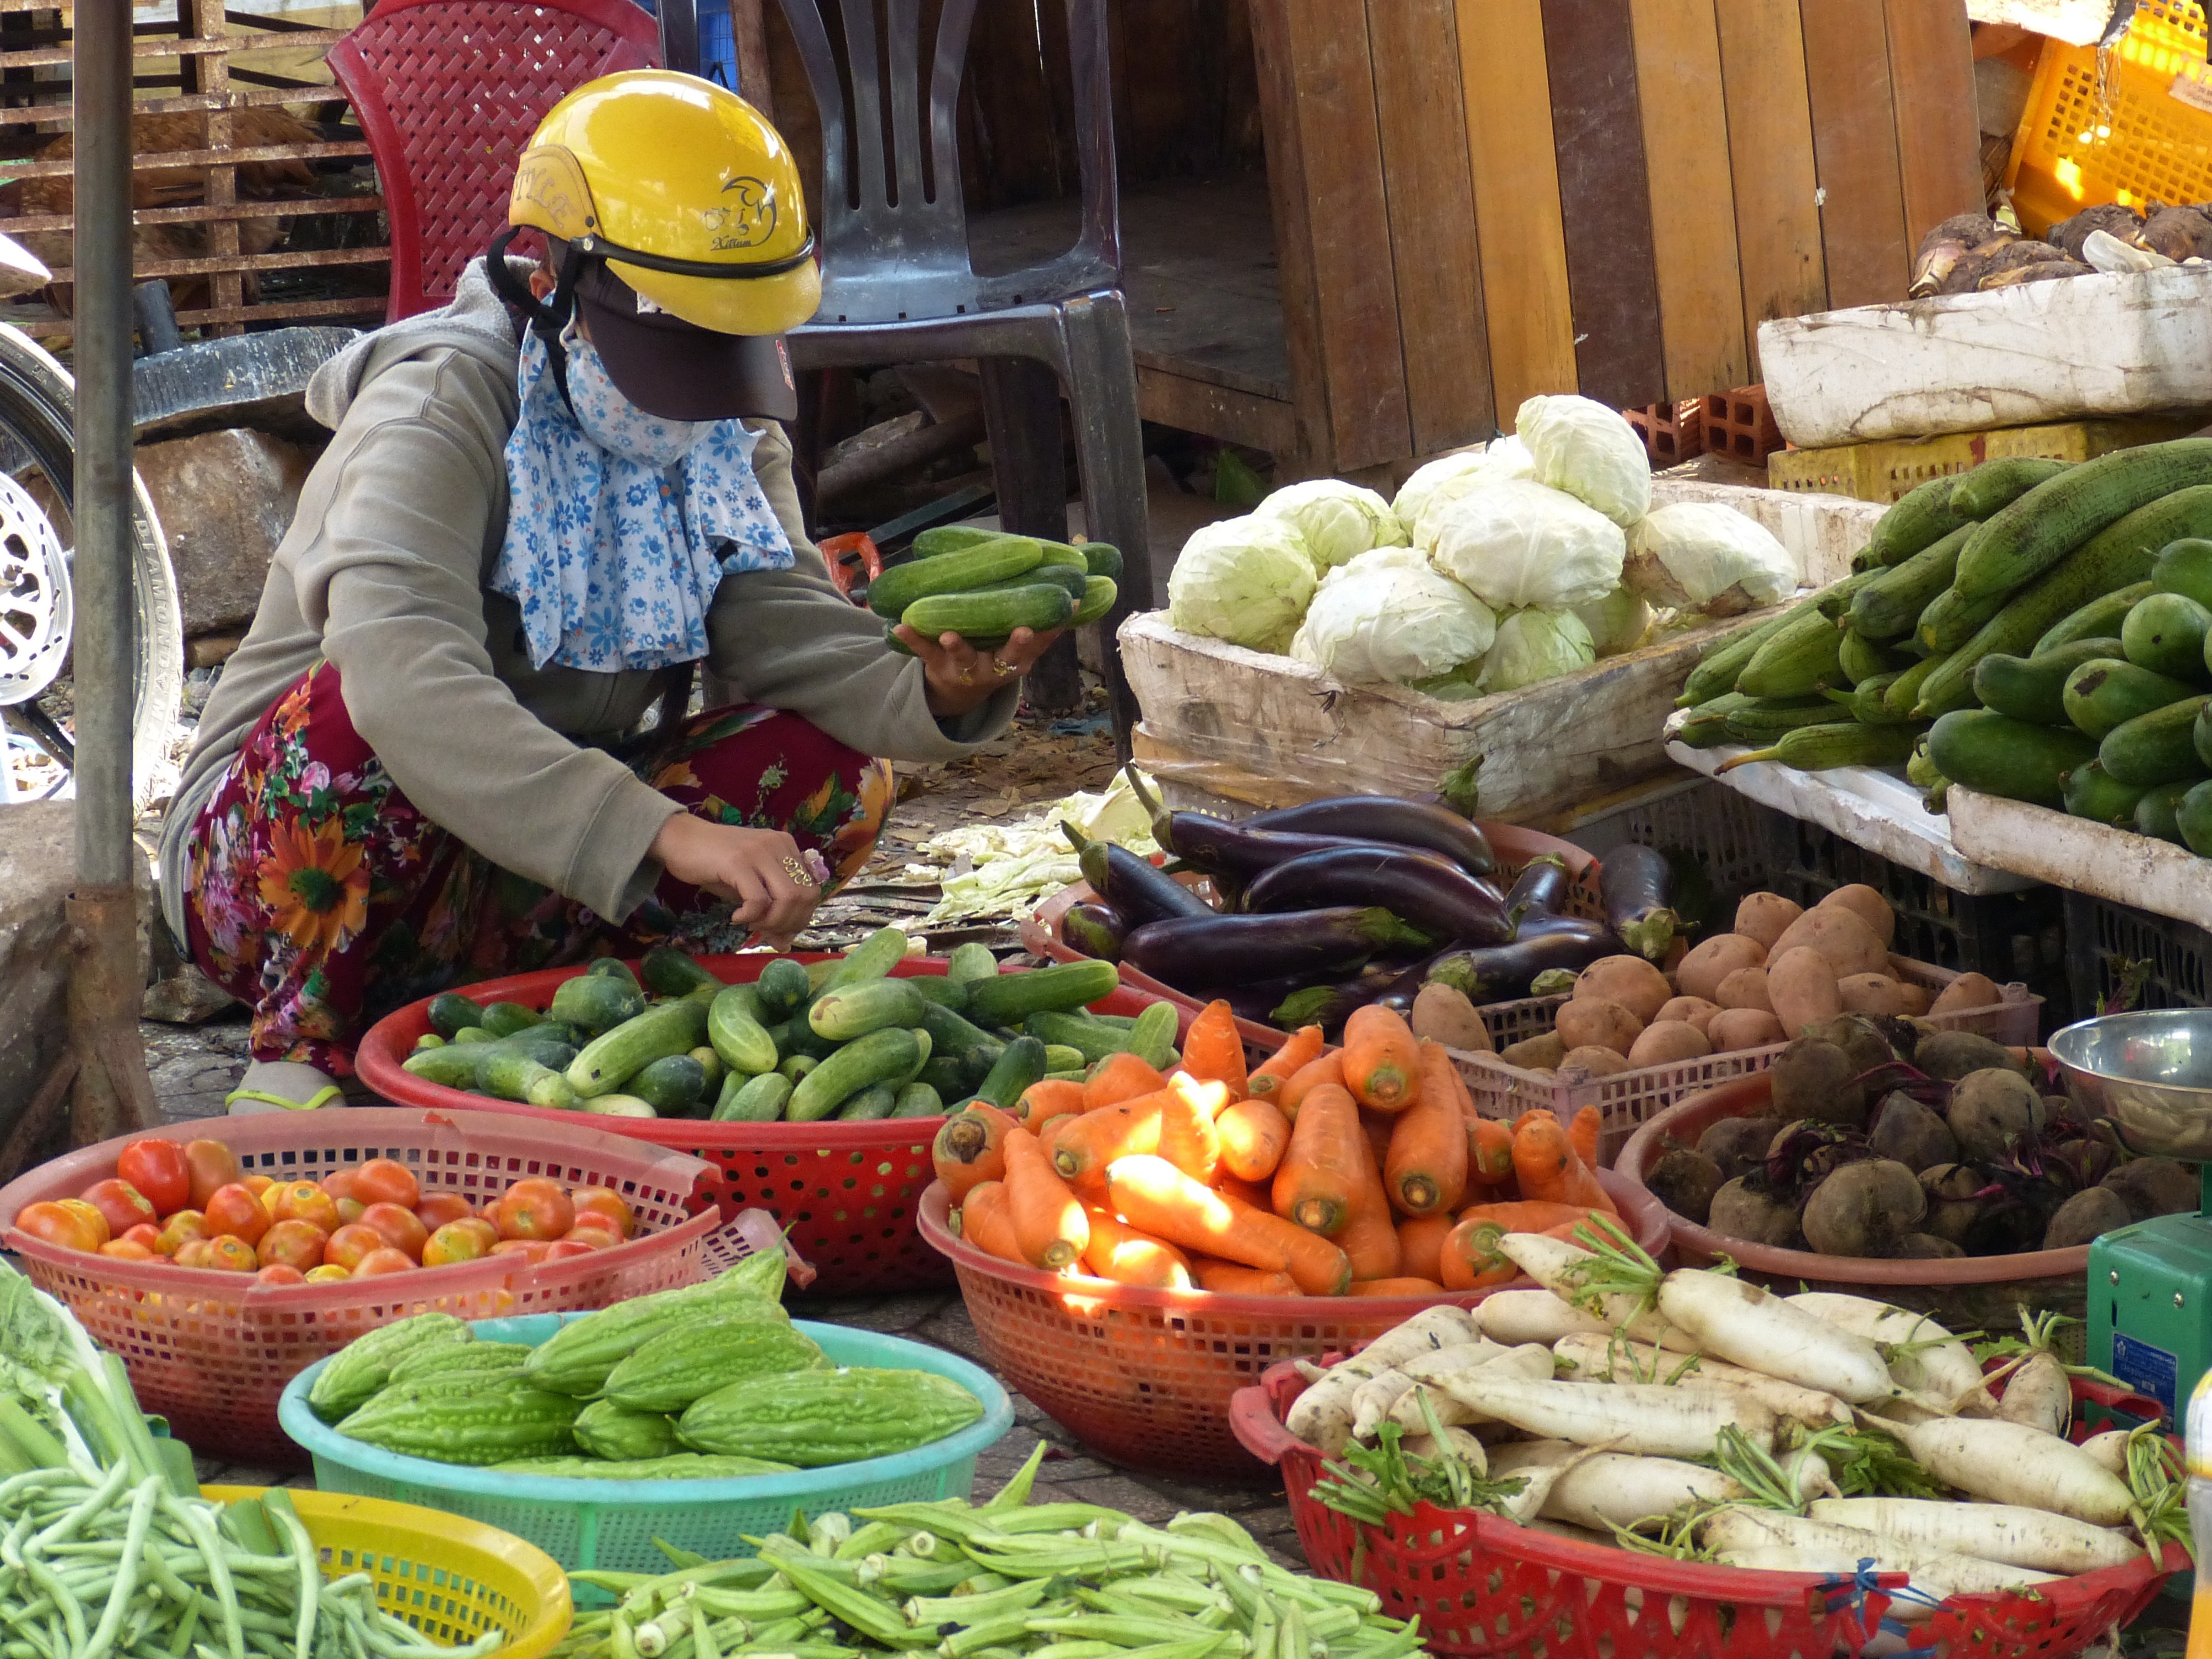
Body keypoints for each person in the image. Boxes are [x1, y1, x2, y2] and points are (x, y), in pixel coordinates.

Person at [159, 71, 1062, 1112]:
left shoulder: (718, 420)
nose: (706, 391)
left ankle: (586, 1013)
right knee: (353, 711)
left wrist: (935, 693)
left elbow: (781, 620)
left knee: (838, 771)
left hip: (534, 866)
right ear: (554, 278)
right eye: (678, 341)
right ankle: (307, 1054)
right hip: (288, 887)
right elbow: (404, 679)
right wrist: (664, 833)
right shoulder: (439, 404)